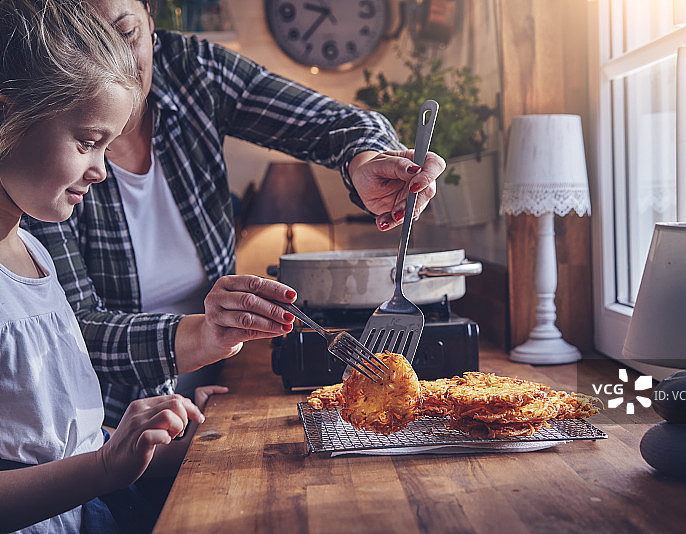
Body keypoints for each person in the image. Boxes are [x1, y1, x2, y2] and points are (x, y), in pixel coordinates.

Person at [23, 0, 447, 428]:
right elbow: (73, 333)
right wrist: (205, 336)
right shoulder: (41, 159)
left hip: (220, 394)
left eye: (126, 33)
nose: (113, 61)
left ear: (150, 16)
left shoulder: (191, 71)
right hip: (117, 425)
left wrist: (366, 160)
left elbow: (328, 122)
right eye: (86, 43)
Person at [0, 0, 228, 531]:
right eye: (87, 142)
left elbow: (59, 444)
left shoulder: (35, 253)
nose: (102, 170)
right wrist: (105, 466)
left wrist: (164, 436)